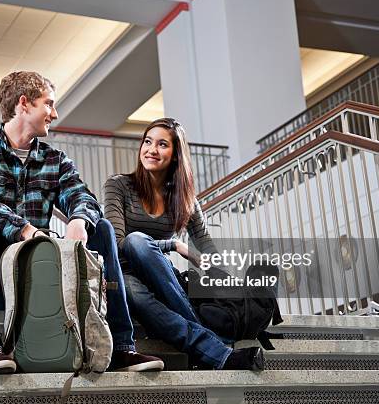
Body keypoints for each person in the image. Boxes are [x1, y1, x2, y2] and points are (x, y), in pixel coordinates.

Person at [0, 71, 163, 375]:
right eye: (49, 104)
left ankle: (122, 346)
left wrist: (80, 219)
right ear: (24, 104)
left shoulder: (55, 160)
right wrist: (21, 228)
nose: (55, 114)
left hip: (35, 276)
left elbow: (84, 198)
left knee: (103, 228)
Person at [103, 117, 264, 370]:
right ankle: (218, 350)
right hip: (124, 273)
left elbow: (206, 243)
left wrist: (225, 280)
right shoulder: (119, 185)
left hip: (160, 275)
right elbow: (118, 242)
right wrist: (176, 246)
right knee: (136, 261)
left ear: (176, 155)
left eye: (162, 145)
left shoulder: (184, 199)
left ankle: (210, 345)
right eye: (147, 142)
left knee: (143, 248)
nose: (151, 150)